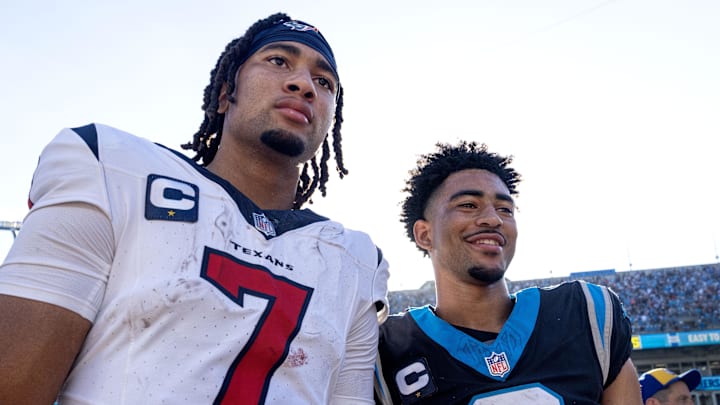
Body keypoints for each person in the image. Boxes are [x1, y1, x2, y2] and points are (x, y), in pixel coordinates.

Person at [0, 12, 389, 404]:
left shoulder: (355, 261)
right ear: (225, 93)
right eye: (278, 61)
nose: (303, 84)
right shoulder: (112, 168)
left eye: (323, 83)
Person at [374, 141, 642, 404]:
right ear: (425, 234)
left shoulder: (585, 313)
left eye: (505, 209)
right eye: (468, 205)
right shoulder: (387, 348)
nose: (494, 219)